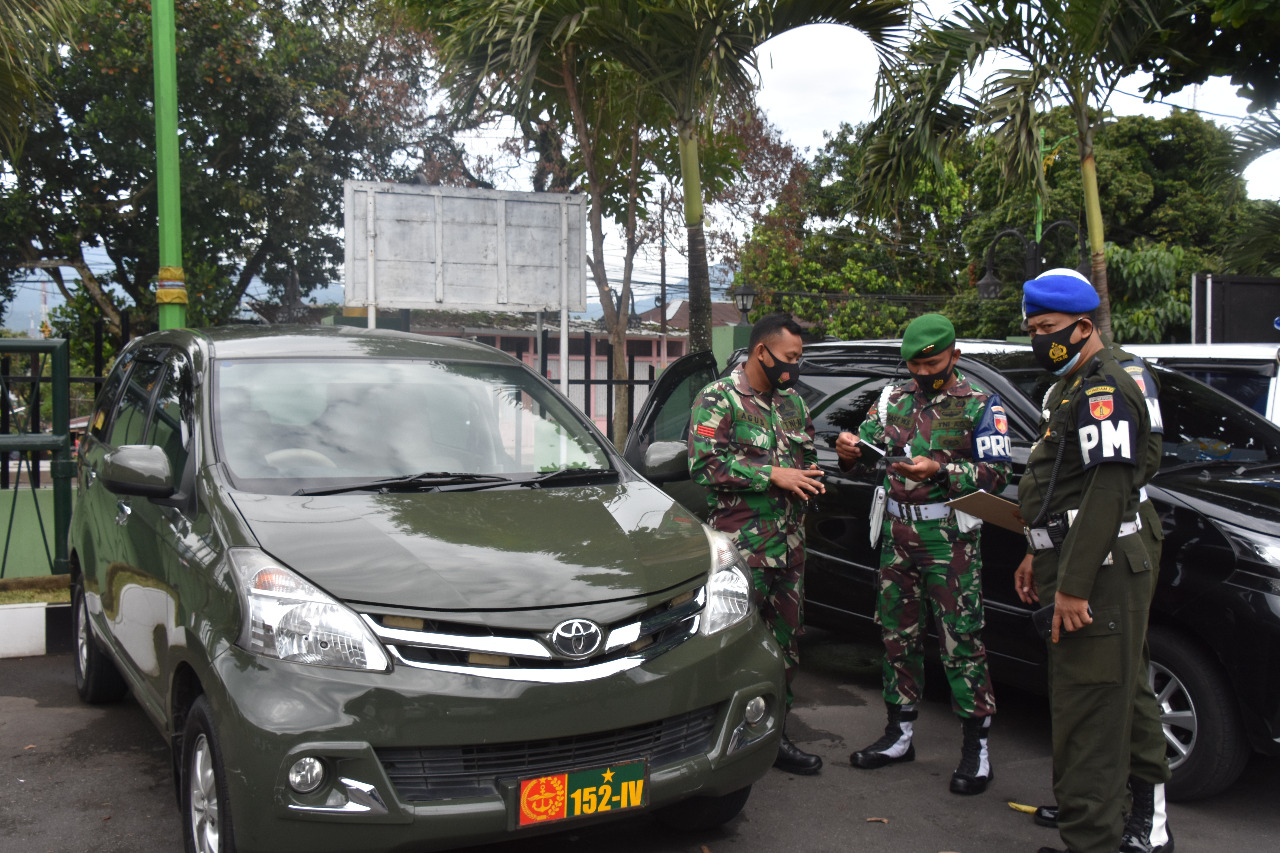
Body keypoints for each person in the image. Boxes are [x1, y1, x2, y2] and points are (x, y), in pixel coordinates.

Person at [1014, 269, 1173, 853]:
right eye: (1033, 329)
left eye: (1049, 328)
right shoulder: (1073, 386)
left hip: (1099, 566)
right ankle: (1128, 827)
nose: (1039, 340)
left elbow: (1108, 489)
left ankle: (1095, 837)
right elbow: (1061, 483)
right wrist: (1040, 552)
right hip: (1083, 554)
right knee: (1118, 694)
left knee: (1088, 713)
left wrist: (1074, 586)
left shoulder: (1106, 388)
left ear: (1085, 326)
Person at [835, 313, 1011, 795]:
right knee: (897, 635)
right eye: (913, 364)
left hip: (948, 536)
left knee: (961, 641)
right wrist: (848, 448)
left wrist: (941, 471)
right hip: (896, 534)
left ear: (953, 355)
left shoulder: (979, 405)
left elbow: (997, 475)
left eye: (931, 362)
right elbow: (863, 451)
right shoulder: (893, 398)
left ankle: (976, 748)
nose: (921, 372)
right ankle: (899, 733)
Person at [688, 313, 827, 775]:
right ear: (761, 352)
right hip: (742, 550)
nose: (795, 367)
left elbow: (804, 461)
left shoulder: (793, 405)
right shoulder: (719, 398)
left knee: (784, 647)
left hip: (789, 548)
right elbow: (705, 465)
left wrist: (813, 478)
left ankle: (775, 735)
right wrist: (772, 474)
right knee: (729, 647)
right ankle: (709, 744)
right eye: (790, 358)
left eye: (799, 359)